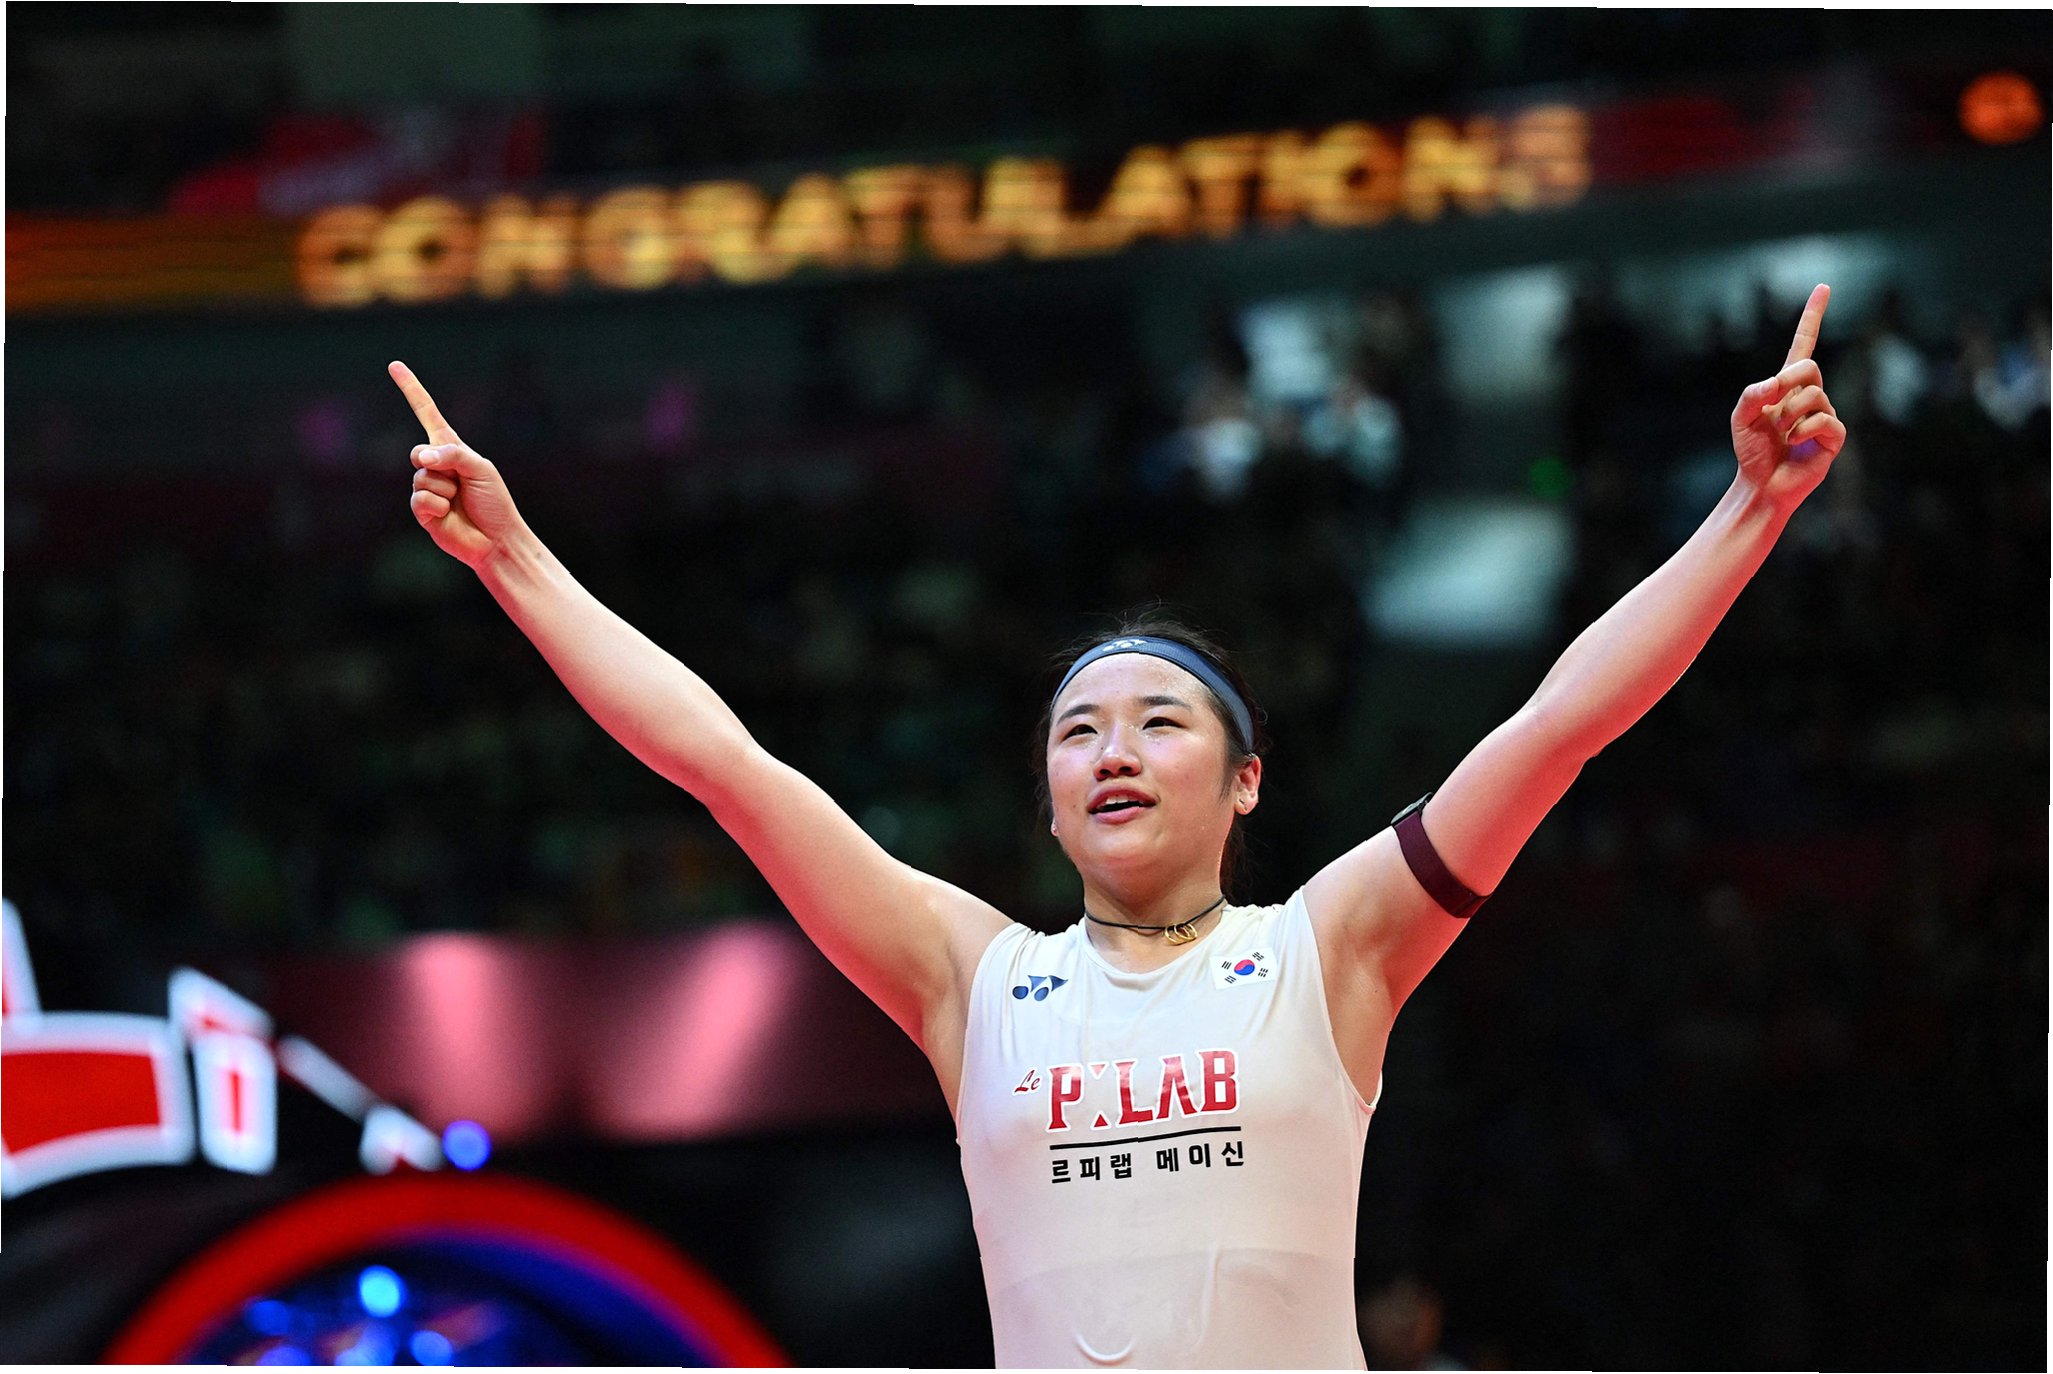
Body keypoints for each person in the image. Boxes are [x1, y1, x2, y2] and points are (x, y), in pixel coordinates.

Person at [391, 285, 1845, 1369]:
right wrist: (516, 559)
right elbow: (724, 764)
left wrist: (1747, 510)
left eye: (1160, 721)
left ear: (1245, 780)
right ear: (1047, 798)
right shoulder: (971, 981)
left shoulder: (1328, 950)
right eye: (1078, 731)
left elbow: (1554, 725)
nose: (1114, 751)